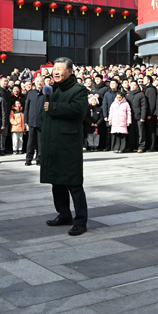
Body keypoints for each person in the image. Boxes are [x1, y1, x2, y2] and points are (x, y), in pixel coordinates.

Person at [40, 57, 89, 236]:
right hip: (53, 144)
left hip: (68, 145)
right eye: (54, 69)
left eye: (60, 69)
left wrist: (53, 107)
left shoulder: (79, 90)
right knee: (57, 182)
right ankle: (64, 214)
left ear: (70, 71)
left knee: (74, 183)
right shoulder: (52, 90)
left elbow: (78, 110)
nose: (56, 72)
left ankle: (81, 221)